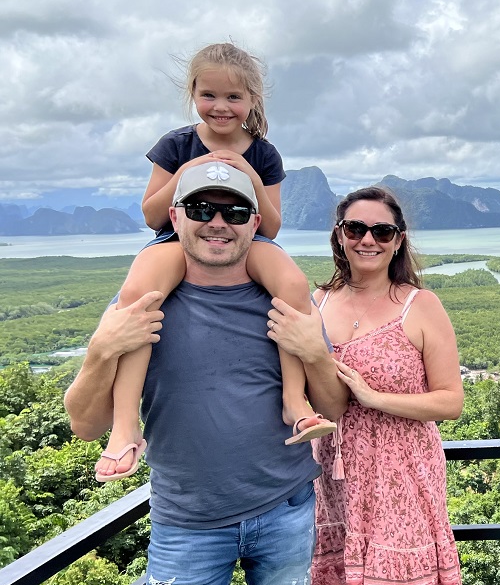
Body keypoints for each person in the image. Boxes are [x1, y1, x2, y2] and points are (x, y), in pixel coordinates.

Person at [64, 163, 348, 585]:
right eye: (201, 209)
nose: (218, 222)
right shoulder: (140, 304)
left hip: (287, 507)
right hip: (186, 522)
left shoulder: (286, 299)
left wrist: (314, 352)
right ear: (175, 218)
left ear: (254, 225)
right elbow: (83, 425)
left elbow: (333, 408)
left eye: (235, 212)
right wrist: (100, 351)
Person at [96, 42, 333, 482]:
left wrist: (248, 174)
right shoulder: (176, 144)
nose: (221, 107)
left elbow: (272, 226)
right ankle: (125, 423)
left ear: (252, 101)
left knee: (295, 288)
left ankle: (295, 401)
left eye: (234, 97)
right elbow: (151, 215)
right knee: (136, 300)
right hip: (177, 237)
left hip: (246, 237)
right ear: (192, 93)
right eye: (210, 95)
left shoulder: (263, 152)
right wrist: (193, 170)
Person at [273, 186, 465, 585]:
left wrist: (375, 398)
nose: (368, 240)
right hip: (333, 466)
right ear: (339, 235)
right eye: (356, 228)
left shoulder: (420, 305)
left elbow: (451, 401)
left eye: (382, 231)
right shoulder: (315, 303)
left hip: (402, 469)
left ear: (398, 240)